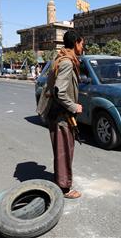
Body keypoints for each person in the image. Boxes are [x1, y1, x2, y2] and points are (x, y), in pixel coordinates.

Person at [47, 30, 84, 199]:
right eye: (82, 44)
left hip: (58, 114)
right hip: (62, 115)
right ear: (76, 43)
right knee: (64, 151)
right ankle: (64, 188)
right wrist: (74, 106)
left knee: (62, 150)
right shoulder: (68, 62)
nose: (82, 47)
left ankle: (61, 181)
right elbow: (59, 91)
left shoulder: (61, 57)